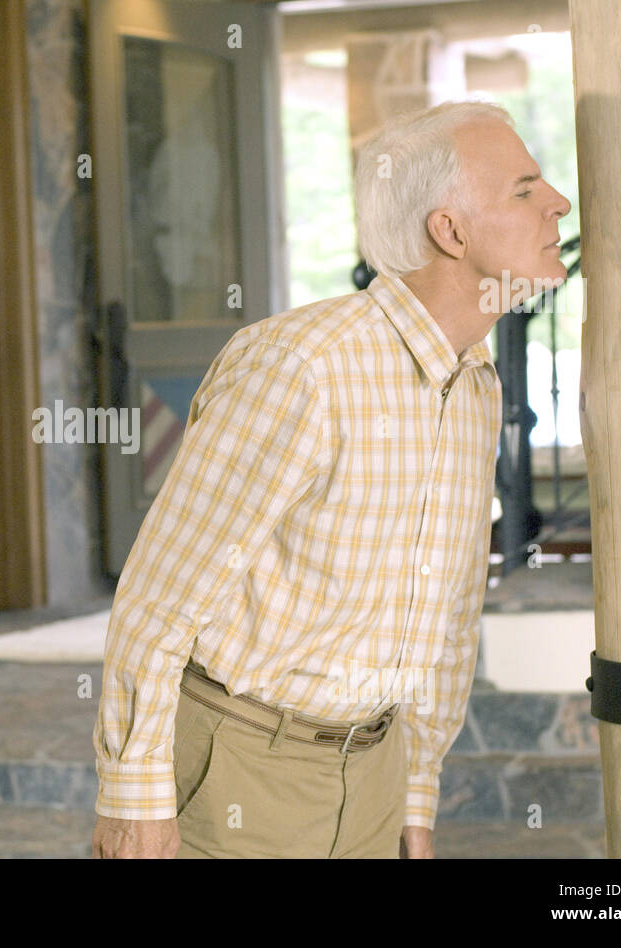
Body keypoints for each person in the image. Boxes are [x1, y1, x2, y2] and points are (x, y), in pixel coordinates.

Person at [92, 101, 571, 858]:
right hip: (240, 774)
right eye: (524, 189)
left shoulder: (476, 386)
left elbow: (445, 615)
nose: (559, 203)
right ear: (449, 231)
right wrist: (134, 794)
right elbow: (161, 596)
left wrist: (416, 791)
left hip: (376, 777)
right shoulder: (301, 366)